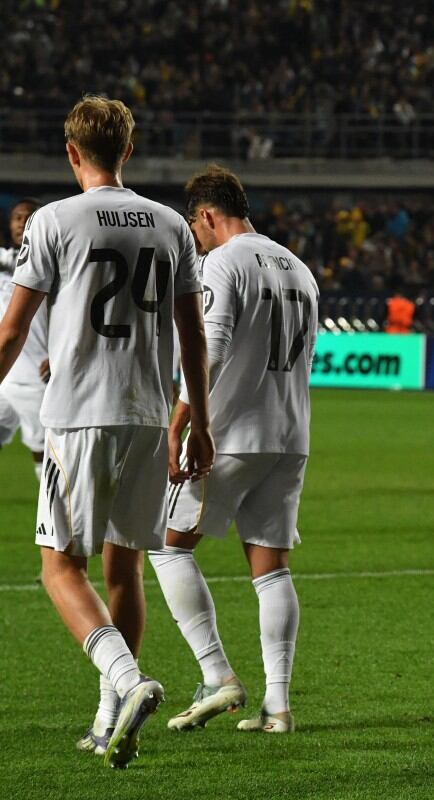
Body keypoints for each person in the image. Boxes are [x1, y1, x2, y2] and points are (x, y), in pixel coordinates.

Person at [0, 95, 213, 768]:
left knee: (61, 568)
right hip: (150, 417)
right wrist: (199, 421)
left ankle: (126, 682)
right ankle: (106, 720)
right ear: (129, 149)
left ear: (71, 153)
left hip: (77, 414)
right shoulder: (170, 224)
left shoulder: (54, 221)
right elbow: (193, 333)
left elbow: (11, 330)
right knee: (126, 568)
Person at [148, 165, 318, 735]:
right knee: (271, 570)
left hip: (229, 434)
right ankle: (279, 704)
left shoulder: (222, 263)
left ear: (206, 215)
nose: (195, 240)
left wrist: (181, 422)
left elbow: (208, 348)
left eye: (195, 228)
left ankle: (217, 674)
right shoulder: (300, 268)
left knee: (166, 546)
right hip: (289, 437)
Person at [0, 198, 49, 474]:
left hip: (36, 378)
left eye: (29, 216)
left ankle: (53, 514)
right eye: (17, 217)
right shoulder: (5, 259)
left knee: (43, 453)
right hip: (4, 375)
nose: (21, 222)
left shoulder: (54, 265)